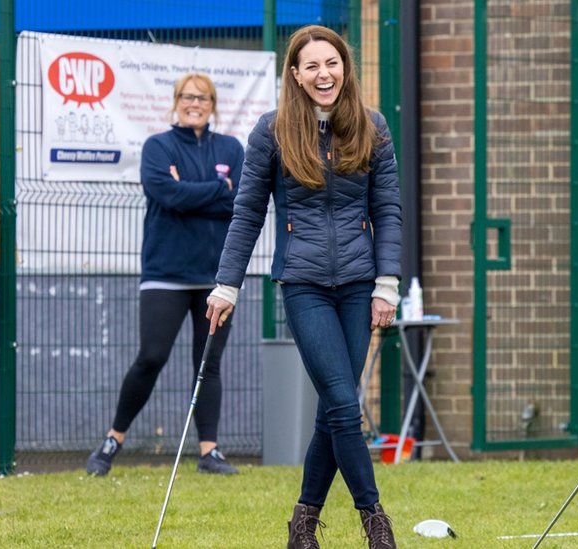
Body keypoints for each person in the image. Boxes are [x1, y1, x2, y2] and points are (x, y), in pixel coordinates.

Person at [205, 25, 402, 549]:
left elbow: (388, 210)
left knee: (331, 409)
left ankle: (302, 525)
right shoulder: (270, 132)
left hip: (361, 286)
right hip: (304, 285)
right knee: (342, 402)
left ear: (345, 68)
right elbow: (247, 214)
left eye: (332, 63)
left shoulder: (373, 127)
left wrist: (387, 283)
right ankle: (375, 521)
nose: (323, 74)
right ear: (294, 74)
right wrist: (226, 285)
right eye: (311, 66)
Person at [86, 73, 244, 477]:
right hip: (165, 274)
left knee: (208, 362)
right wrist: (216, 187)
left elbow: (239, 202)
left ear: (213, 103)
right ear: (176, 101)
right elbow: (166, 195)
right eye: (188, 97)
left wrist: (195, 192)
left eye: (203, 97)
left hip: (215, 279)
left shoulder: (231, 147)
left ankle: (209, 451)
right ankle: (113, 439)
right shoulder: (158, 146)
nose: (196, 103)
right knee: (151, 357)